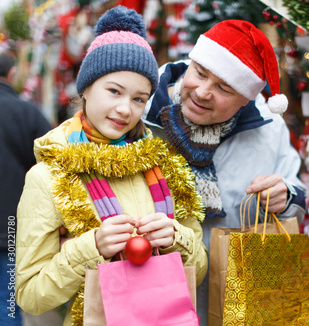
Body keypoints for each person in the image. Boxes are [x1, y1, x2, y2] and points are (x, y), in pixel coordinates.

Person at [15, 6, 207, 326]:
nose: (124, 109)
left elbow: (197, 271)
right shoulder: (48, 176)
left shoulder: (166, 166)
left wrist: (178, 237)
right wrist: (91, 247)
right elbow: (29, 296)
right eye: (114, 91)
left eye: (138, 99)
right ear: (86, 88)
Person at [142, 20, 307, 325]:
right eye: (200, 73)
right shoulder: (142, 110)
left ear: (247, 99)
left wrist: (286, 195)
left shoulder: (268, 129)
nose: (203, 92)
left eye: (223, 88)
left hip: (242, 298)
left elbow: (297, 197)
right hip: (152, 295)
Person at [0, 50, 52, 325]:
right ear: (11, 75)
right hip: (12, 227)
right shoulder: (27, 112)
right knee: (8, 304)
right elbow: (54, 164)